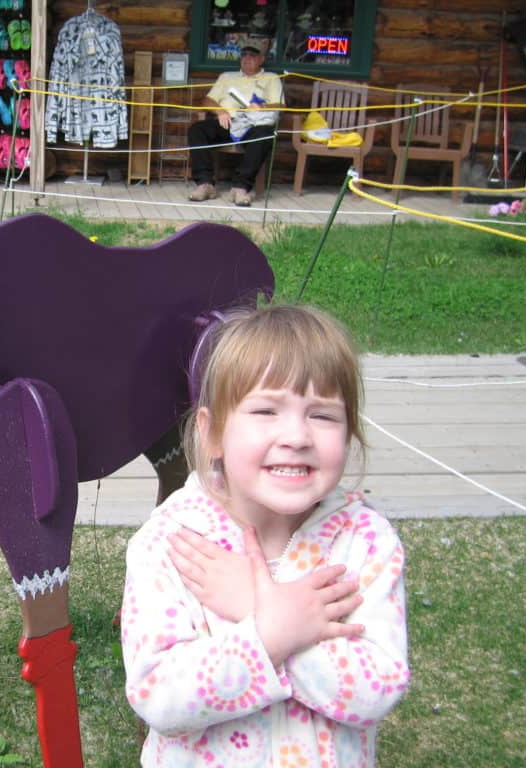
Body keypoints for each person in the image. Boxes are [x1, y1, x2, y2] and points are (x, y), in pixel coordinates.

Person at [121, 304, 410, 767]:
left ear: (350, 433)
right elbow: (159, 695)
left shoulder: (367, 543)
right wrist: (267, 636)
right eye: (266, 410)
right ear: (212, 432)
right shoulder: (172, 543)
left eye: (323, 416)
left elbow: (378, 688)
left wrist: (260, 605)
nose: (296, 435)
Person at [186, 43, 283, 207]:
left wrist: (262, 107)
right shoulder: (227, 77)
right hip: (228, 121)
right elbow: (208, 100)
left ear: (262, 59)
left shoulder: (272, 78)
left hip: (253, 124)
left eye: (252, 55)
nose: (247, 59)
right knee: (197, 130)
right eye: (244, 55)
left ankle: (241, 187)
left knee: (264, 135)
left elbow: (280, 105)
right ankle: (205, 184)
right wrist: (220, 111)